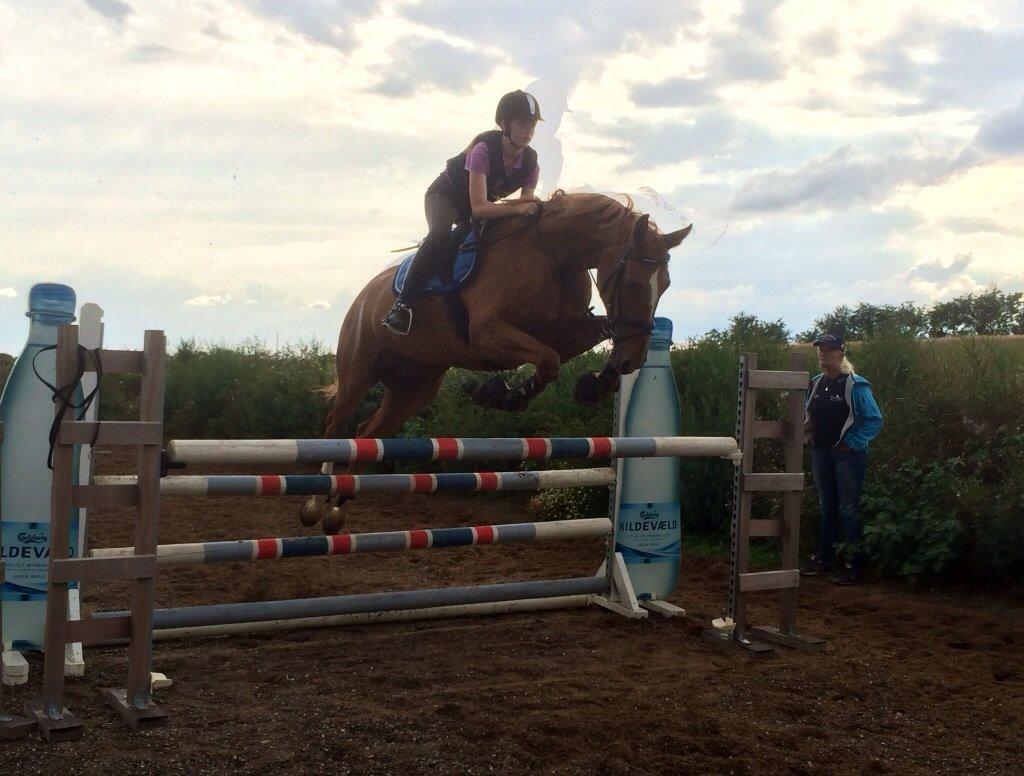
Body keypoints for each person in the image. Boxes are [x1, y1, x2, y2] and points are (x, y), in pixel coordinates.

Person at [381, 90, 543, 335]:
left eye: (531, 124)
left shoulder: (531, 163)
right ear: (505, 124)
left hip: (474, 206)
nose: (528, 130)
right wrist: (518, 208)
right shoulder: (483, 150)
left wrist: (529, 208)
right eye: (522, 123)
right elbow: (480, 209)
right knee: (439, 235)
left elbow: (525, 203)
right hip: (444, 198)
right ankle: (402, 305)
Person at [801, 333, 883, 585]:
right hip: (821, 452)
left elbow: (874, 420)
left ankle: (854, 565)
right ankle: (823, 558)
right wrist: (809, 435)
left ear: (840, 353)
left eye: (827, 350)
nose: (822, 355)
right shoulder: (815, 383)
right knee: (827, 506)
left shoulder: (855, 385)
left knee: (848, 509)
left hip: (848, 456)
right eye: (820, 350)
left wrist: (851, 443)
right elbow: (807, 414)